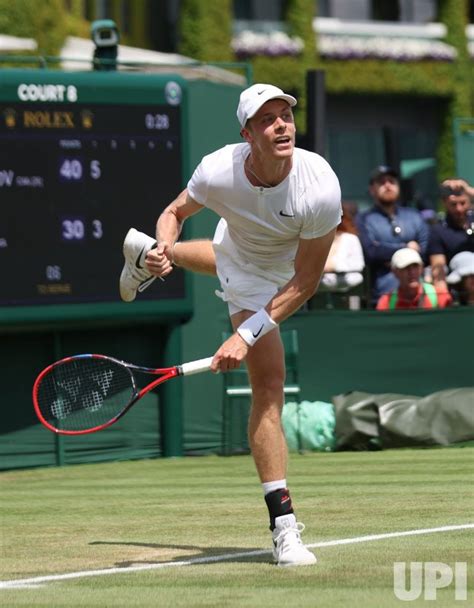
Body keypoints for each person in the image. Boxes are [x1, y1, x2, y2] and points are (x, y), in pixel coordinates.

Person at [119, 83, 342, 567]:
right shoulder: (219, 169)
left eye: (286, 115)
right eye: (267, 119)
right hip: (246, 270)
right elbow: (174, 211)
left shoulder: (319, 184)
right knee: (269, 386)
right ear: (247, 134)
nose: (281, 125)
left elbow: (305, 284)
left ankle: (147, 259)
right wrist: (164, 239)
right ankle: (284, 529)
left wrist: (244, 335)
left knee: (222, 259)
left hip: (288, 270)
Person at [356, 165, 429, 305]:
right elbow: (371, 252)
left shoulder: (414, 216)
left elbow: (424, 251)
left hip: (420, 296)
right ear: (372, 189)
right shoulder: (363, 219)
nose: (388, 185)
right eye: (382, 182)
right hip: (383, 295)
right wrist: (407, 249)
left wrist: (386, 251)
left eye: (392, 181)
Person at [428, 178, 474, 294]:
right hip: (458, 291)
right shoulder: (438, 231)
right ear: (445, 203)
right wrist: (444, 298)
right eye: (453, 204)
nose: (459, 209)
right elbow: (439, 272)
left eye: (463, 203)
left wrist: (469, 190)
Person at [376, 248, 452, 310]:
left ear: (422, 268)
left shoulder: (440, 295)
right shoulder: (386, 302)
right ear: (395, 272)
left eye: (415, 266)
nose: (412, 272)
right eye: (405, 268)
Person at [320, 201, 365, 292]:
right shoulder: (312, 239)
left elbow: (359, 267)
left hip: (348, 290)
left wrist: (334, 267)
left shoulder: (351, 239)